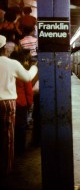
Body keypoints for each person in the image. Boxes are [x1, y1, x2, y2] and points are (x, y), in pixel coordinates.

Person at [0, 35, 38, 175]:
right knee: (8, 136)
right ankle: (6, 168)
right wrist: (34, 67)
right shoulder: (11, 63)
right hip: (7, 102)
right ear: (5, 49)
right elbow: (27, 77)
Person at [10, 49, 34, 155]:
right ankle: (20, 150)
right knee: (21, 127)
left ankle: (11, 149)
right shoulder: (22, 71)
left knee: (10, 127)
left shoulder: (8, 69)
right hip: (21, 103)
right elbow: (28, 90)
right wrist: (29, 103)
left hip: (9, 101)